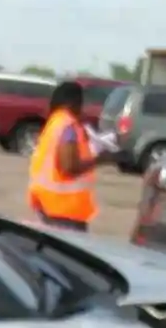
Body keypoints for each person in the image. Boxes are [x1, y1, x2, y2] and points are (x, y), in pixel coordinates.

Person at [26, 80, 106, 232]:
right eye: (81, 102)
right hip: (64, 212)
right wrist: (102, 159)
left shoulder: (54, 123)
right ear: (74, 101)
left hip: (48, 206)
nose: (83, 108)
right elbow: (68, 167)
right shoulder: (68, 126)